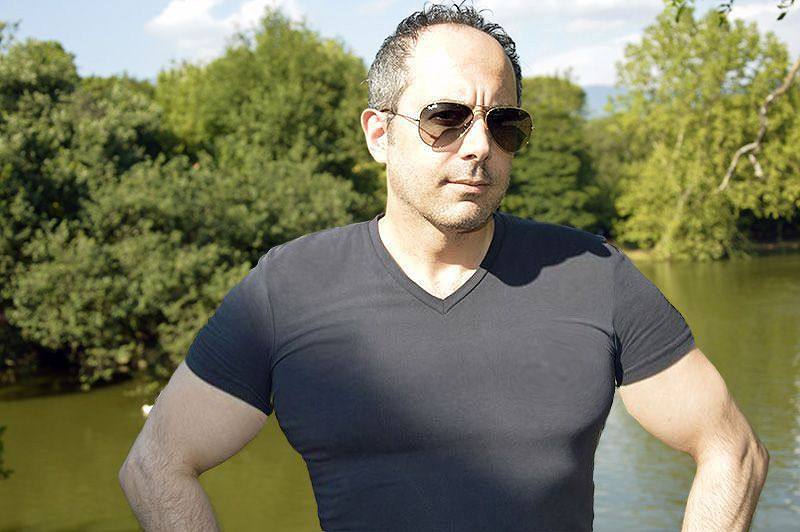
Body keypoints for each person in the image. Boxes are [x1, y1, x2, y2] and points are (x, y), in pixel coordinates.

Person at [118, 3, 769, 531]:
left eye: (503, 124)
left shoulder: (592, 273)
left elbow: (732, 449)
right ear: (379, 134)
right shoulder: (287, 289)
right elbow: (156, 465)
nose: (480, 146)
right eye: (446, 118)